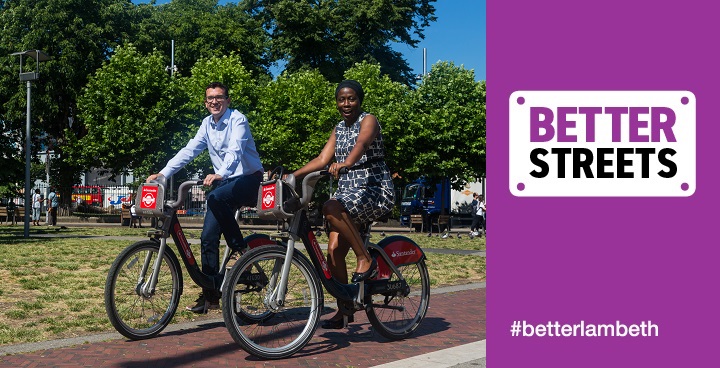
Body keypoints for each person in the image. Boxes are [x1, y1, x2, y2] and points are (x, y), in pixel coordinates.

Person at [145, 82, 264, 314]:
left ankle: (242, 251)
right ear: (205, 102)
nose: (214, 102)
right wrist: (163, 173)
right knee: (207, 237)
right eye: (210, 98)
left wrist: (221, 172)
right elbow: (189, 150)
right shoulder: (206, 124)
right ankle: (210, 296)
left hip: (248, 179)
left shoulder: (238, 120)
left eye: (219, 97)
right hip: (224, 184)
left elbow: (235, 150)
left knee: (215, 198)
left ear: (228, 101)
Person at [290, 80, 395, 329]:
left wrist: (346, 162)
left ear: (359, 100)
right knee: (334, 250)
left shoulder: (369, 120)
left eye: (351, 99)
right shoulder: (339, 127)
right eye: (341, 99)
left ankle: (364, 259)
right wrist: (292, 176)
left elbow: (362, 144)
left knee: (330, 206)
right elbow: (322, 158)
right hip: (349, 192)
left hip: (374, 189)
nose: (346, 104)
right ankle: (345, 309)